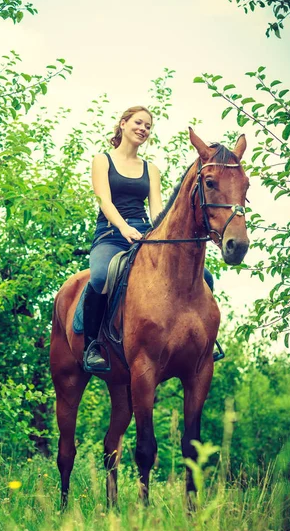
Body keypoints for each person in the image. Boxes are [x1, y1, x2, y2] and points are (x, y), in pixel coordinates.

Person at [83, 106, 216, 372]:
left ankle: (205, 341)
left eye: (148, 126)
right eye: (138, 123)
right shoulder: (103, 160)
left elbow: (157, 209)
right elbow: (105, 202)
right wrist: (123, 228)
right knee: (99, 276)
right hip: (111, 233)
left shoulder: (150, 169)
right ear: (123, 124)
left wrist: (161, 233)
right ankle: (92, 345)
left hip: (144, 233)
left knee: (207, 278)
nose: (143, 129)